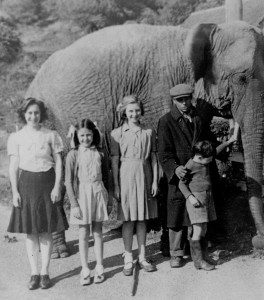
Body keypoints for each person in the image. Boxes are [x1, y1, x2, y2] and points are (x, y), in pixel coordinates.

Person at [7, 98, 69, 290]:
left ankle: (45, 272)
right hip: (27, 185)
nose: (33, 116)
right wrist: (15, 191)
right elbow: (13, 167)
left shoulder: (51, 135)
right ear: (23, 115)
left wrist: (57, 186)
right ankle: (34, 273)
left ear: (41, 114)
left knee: (46, 230)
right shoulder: (16, 137)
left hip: (47, 183)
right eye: (29, 113)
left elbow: (59, 163)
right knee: (31, 232)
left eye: (36, 113)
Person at [157, 83, 211, 268]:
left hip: (196, 174)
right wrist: (174, 168)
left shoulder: (198, 117)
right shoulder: (166, 121)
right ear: (173, 101)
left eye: (187, 99)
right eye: (180, 100)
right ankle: (176, 252)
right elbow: (163, 153)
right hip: (179, 175)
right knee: (177, 212)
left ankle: (195, 249)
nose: (185, 103)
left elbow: (206, 142)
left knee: (196, 211)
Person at [110, 95, 158, 276]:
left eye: (137, 110)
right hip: (126, 177)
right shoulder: (117, 133)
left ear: (141, 111)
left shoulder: (149, 132)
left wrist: (154, 180)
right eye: (130, 111)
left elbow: (153, 157)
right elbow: (114, 162)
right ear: (124, 112)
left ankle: (143, 256)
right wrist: (116, 185)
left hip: (144, 175)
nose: (134, 114)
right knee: (128, 218)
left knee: (142, 219)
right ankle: (128, 257)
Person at [65, 119, 110, 285]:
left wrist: (110, 198)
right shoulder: (73, 154)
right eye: (82, 135)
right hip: (81, 196)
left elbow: (107, 177)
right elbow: (68, 181)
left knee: (98, 231)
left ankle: (99, 266)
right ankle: (85, 269)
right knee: (83, 232)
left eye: (89, 135)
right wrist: (74, 204)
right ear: (77, 136)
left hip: (98, 192)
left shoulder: (101, 152)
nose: (86, 138)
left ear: (94, 134)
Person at [178, 139, 235, 270]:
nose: (211, 160)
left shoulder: (205, 156)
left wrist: (228, 142)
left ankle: (204, 257)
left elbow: (216, 151)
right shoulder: (190, 165)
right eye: (208, 159)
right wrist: (190, 197)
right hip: (196, 201)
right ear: (199, 157)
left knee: (204, 229)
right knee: (197, 230)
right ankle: (199, 261)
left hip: (207, 198)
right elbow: (181, 183)